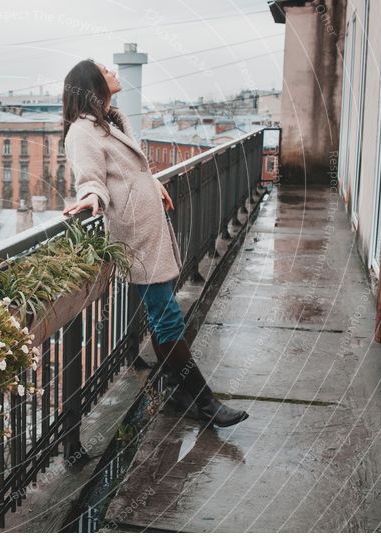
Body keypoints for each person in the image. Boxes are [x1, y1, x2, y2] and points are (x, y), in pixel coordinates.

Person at [61, 58, 248, 428]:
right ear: (92, 83)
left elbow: (128, 170)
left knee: (163, 316)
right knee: (167, 316)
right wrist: (90, 198)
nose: (113, 71)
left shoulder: (110, 122)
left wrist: (152, 182)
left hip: (148, 229)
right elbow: (92, 178)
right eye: (105, 70)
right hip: (135, 236)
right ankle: (203, 400)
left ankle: (179, 393)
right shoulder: (81, 133)